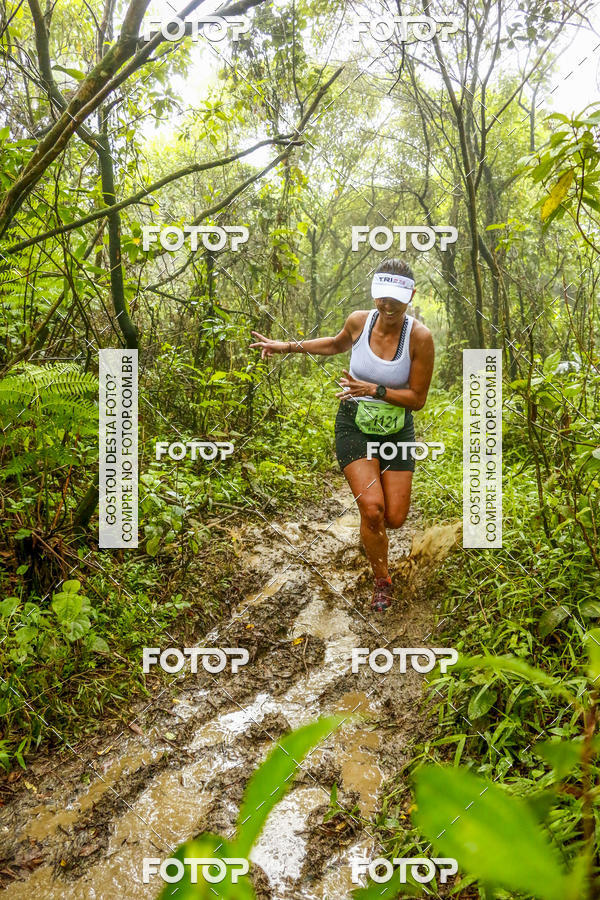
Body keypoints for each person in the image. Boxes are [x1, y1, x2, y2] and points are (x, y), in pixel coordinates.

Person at [250, 258, 435, 612]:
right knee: (373, 508)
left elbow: (418, 399)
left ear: (410, 295)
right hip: (354, 423)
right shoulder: (359, 321)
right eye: (381, 297)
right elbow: (336, 344)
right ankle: (382, 580)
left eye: (395, 298)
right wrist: (285, 347)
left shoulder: (420, 338)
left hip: (396, 430)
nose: (387, 305)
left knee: (396, 517)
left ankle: (375, 534)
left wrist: (373, 389)